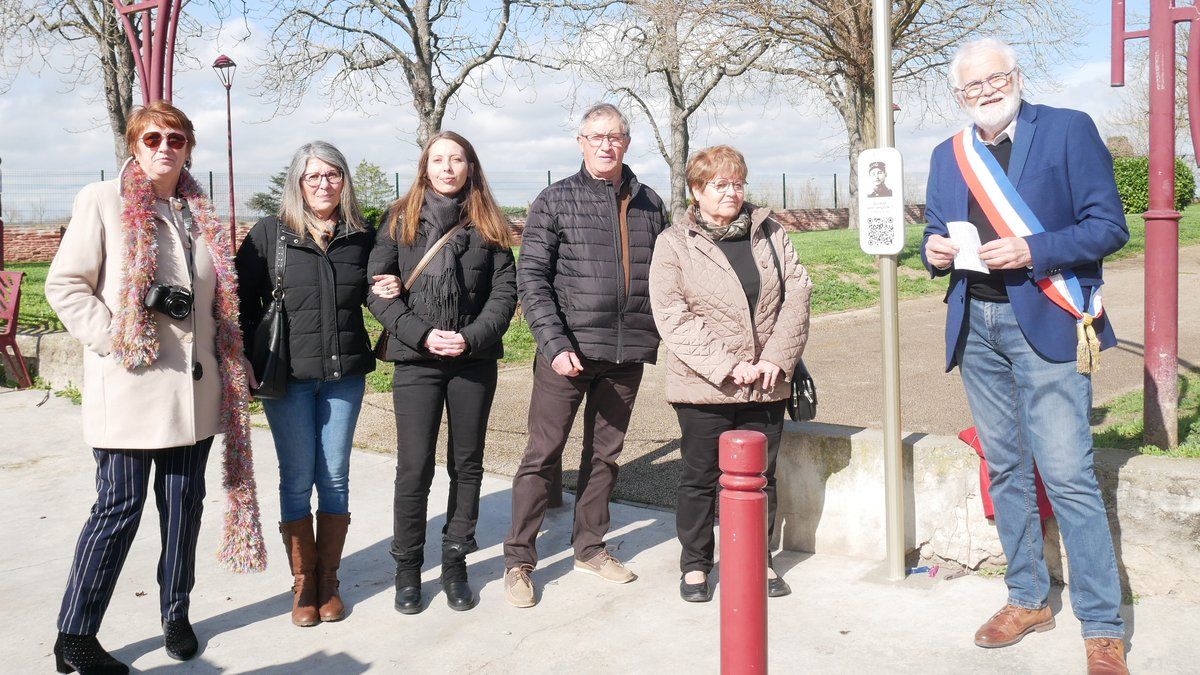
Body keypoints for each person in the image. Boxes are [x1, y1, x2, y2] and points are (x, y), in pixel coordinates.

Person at [922, 39, 1130, 674]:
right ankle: (1027, 598)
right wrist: (932, 251)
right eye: (972, 85)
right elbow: (934, 228)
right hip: (976, 326)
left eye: (996, 78)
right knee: (1007, 469)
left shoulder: (1068, 129)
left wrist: (1033, 250)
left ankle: (1102, 627)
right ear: (959, 95)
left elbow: (1109, 226)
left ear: (1016, 76)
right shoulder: (947, 154)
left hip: (1047, 319)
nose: (986, 90)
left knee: (1067, 475)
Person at [46, 100, 261, 673]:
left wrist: (233, 358)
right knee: (117, 508)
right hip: (131, 387)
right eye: (152, 138)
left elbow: (215, 306)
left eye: (176, 138)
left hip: (194, 394)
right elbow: (65, 286)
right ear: (134, 145)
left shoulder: (200, 214)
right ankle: (75, 635)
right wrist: (116, 339)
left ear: (189, 147)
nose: (164, 147)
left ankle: (176, 614)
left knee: (184, 509)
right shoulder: (103, 200)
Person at [502, 103, 669, 608]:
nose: (605, 145)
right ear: (581, 142)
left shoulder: (650, 203)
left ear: (627, 142)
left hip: (626, 353)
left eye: (614, 136)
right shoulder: (554, 200)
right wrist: (554, 345)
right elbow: (531, 279)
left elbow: (665, 277)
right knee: (543, 454)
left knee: (605, 457)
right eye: (596, 136)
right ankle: (518, 560)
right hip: (568, 353)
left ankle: (590, 548)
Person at [649, 145, 812, 602]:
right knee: (699, 478)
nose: (731, 192)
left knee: (763, 478)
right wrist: (728, 366)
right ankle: (696, 565)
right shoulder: (674, 243)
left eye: (737, 183)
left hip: (765, 383)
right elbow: (672, 315)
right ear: (697, 190)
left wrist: (774, 359)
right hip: (704, 386)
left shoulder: (770, 232)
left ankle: (757, 558)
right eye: (719, 184)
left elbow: (798, 293)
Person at [366, 131, 517, 614]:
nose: (448, 168)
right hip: (417, 361)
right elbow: (377, 290)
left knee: (466, 465)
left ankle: (455, 562)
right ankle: (408, 568)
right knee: (414, 468)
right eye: (438, 160)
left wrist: (471, 337)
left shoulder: (490, 223)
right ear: (425, 167)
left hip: (473, 361)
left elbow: (504, 293)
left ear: (470, 167)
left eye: (457, 159)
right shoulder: (399, 218)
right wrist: (423, 334)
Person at [236, 141, 376, 627]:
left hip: (344, 378)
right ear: (298, 181)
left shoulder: (361, 235)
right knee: (297, 478)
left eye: (333, 174)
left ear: (344, 181)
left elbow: (378, 289)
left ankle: (329, 581)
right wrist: (241, 356)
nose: (323, 184)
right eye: (313, 176)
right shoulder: (269, 233)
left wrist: (392, 289)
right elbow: (237, 300)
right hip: (287, 378)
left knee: (334, 476)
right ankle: (303, 584)